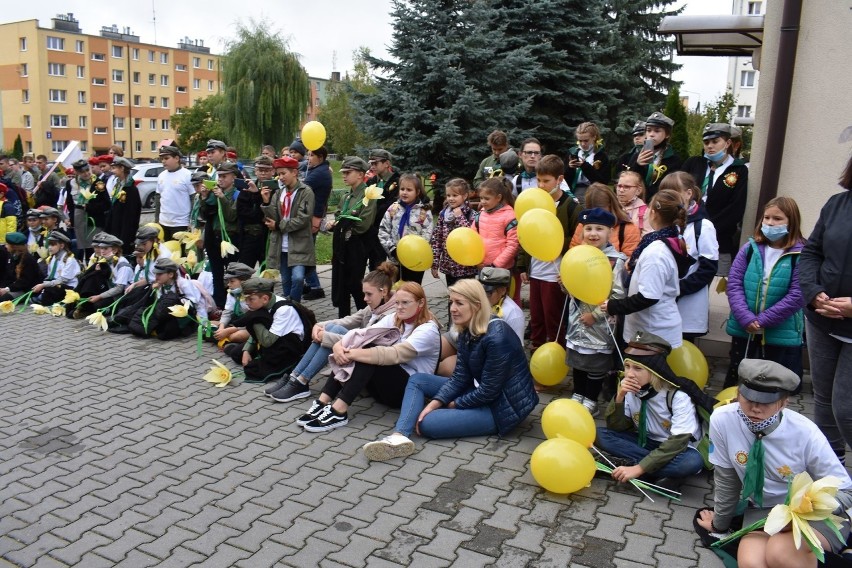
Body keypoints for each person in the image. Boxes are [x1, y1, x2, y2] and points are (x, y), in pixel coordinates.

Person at [696, 359, 852, 567]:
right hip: (764, 511)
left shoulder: (805, 432)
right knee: (751, 562)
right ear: (738, 393)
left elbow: (846, 490)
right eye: (748, 398)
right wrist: (719, 526)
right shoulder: (722, 419)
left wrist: (803, 510)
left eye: (766, 401)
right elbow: (727, 480)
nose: (755, 408)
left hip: (812, 513)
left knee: (780, 553)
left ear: (784, 401)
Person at [362, 278, 538, 461]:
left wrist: (453, 404)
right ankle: (399, 437)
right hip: (480, 390)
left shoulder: (497, 338)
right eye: (451, 302)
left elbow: (489, 392)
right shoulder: (466, 329)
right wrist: (434, 403)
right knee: (418, 380)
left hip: (500, 407)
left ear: (477, 306)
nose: (452, 308)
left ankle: (423, 418)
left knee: (426, 424)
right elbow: (460, 377)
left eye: (459, 303)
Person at [295, 282, 440, 433]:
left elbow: (394, 355)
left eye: (405, 303)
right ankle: (322, 402)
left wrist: (351, 353)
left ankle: (339, 411)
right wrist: (339, 346)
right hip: (385, 387)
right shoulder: (395, 318)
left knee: (368, 352)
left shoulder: (427, 330)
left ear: (421, 303)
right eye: (397, 302)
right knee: (363, 346)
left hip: (407, 393)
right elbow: (362, 335)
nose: (399, 307)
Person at [265, 262, 398, 403]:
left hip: (372, 367)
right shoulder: (377, 305)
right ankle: (295, 377)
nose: (365, 298)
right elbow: (348, 320)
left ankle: (301, 380)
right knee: (330, 329)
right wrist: (319, 325)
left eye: (368, 294)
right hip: (361, 353)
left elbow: (365, 343)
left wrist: (325, 336)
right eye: (364, 293)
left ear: (383, 291)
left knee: (329, 334)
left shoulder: (390, 315)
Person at [596, 331, 706, 482]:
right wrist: (619, 397)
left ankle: (634, 468)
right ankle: (659, 474)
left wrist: (638, 468)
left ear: (655, 371)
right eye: (627, 366)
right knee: (600, 434)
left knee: (692, 462)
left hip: (676, 449)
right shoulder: (630, 387)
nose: (629, 374)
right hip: (645, 442)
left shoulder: (677, 396)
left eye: (638, 368)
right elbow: (617, 428)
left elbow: (677, 443)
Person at [799, 153, 852, 464]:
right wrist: (814, 293)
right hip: (821, 319)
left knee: (845, 408)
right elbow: (811, 253)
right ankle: (831, 470)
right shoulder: (837, 204)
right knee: (822, 400)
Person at [724, 196, 806, 388]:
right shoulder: (749, 249)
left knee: (771, 383)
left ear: (791, 222)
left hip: (779, 332)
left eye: (777, 219)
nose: (770, 223)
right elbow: (734, 284)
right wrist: (746, 317)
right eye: (767, 217)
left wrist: (763, 321)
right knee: (738, 378)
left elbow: (797, 295)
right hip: (744, 328)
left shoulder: (801, 254)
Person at [602, 189, 695, 349]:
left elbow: (648, 297)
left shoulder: (656, 253)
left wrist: (613, 306)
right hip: (648, 328)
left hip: (652, 331)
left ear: (653, 213)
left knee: (644, 373)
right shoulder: (663, 241)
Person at [565, 208, 627, 415]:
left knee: (596, 364)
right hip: (577, 321)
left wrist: (596, 315)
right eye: (588, 228)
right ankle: (578, 393)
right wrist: (564, 284)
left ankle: (591, 399)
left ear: (610, 232)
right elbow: (574, 289)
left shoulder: (615, 261)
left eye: (599, 229)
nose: (593, 233)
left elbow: (617, 295)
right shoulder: (577, 256)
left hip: (600, 325)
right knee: (579, 361)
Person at [518, 155, 580, 351]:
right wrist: (522, 264)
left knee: (554, 320)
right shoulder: (533, 202)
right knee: (536, 318)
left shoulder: (571, 206)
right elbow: (524, 233)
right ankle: (536, 352)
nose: (541, 185)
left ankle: (557, 354)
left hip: (555, 274)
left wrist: (553, 243)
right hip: (535, 271)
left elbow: (577, 239)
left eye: (546, 181)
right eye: (538, 180)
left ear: (560, 180)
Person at [681, 123, 749, 277]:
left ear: (728, 143)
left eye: (715, 141)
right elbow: (677, 191)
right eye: (706, 143)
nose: (710, 146)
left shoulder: (738, 170)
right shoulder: (694, 163)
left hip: (718, 240)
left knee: (713, 289)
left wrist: (706, 229)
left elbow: (735, 209)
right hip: (686, 236)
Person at [660, 171, 719, 343]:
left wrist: (679, 288)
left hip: (688, 300)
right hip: (662, 298)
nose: (669, 198)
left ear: (688, 193)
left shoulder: (703, 226)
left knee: (682, 348)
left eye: (674, 192)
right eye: (665, 194)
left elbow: (708, 268)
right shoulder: (663, 223)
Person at [435, 267, 524, 378]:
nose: (483, 297)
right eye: (481, 291)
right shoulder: (476, 300)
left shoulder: (513, 314)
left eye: (488, 293)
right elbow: (455, 330)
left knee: (445, 367)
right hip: (462, 339)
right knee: (433, 349)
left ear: (503, 290)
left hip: (483, 354)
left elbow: (515, 350)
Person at [222, 278, 307, 383]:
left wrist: (254, 319)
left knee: (255, 370)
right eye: (246, 299)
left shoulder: (283, 310)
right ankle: (250, 353)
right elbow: (259, 332)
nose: (247, 303)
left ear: (265, 298)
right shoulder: (261, 306)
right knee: (237, 354)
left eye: (251, 299)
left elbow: (267, 341)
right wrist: (247, 350)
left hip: (287, 345)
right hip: (271, 338)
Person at [261, 156, 315, 302]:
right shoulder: (279, 193)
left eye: (284, 173)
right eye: (279, 174)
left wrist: (279, 225)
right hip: (281, 245)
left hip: (299, 244)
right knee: (285, 281)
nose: (281, 177)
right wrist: (266, 202)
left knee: (297, 278)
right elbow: (273, 217)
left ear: (294, 172)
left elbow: (303, 219)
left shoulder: (306, 192)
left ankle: (294, 306)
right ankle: (289, 308)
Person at [329, 157, 378, 318]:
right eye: (343, 172)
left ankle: (366, 317)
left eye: (348, 172)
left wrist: (343, 224)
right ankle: (343, 320)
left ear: (360, 174)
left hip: (357, 246)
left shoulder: (369, 195)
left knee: (355, 284)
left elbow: (363, 224)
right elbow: (338, 216)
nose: (344, 176)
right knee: (341, 285)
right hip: (342, 246)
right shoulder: (346, 197)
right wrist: (340, 224)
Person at [110, 257, 206, 338]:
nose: (156, 277)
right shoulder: (161, 285)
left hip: (186, 316)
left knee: (166, 331)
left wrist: (203, 324)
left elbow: (196, 304)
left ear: (171, 274)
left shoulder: (184, 284)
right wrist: (154, 291)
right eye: (155, 274)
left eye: (159, 274)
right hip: (168, 314)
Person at [198, 162, 240, 308]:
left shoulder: (237, 193)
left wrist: (222, 197)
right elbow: (205, 215)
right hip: (213, 237)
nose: (220, 180)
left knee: (231, 273)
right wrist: (204, 197)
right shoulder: (213, 193)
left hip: (229, 237)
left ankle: (233, 304)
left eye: (224, 176)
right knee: (216, 273)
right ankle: (219, 303)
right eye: (219, 176)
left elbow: (231, 216)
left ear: (233, 177)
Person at [379, 173, 434, 284]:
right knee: (395, 290)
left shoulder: (424, 212)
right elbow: (383, 231)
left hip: (415, 260)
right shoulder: (393, 209)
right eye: (402, 189)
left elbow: (427, 235)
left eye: (409, 190)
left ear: (417, 192)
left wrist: (415, 252)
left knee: (412, 289)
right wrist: (392, 249)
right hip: (395, 259)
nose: (404, 192)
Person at [66, 232, 133, 318]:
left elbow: (119, 289)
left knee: (98, 305)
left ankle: (88, 310)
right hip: (110, 291)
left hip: (120, 297)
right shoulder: (107, 261)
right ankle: (83, 307)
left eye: (105, 248)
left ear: (115, 250)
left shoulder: (122, 265)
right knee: (93, 277)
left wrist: (99, 296)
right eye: (101, 248)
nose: (102, 251)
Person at [569, 183, 641, 257]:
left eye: (601, 210)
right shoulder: (583, 225)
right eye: (592, 211)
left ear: (611, 205)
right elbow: (573, 252)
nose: (597, 215)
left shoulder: (628, 228)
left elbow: (629, 260)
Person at [430, 178, 477, 289]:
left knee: (466, 296)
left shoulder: (472, 214)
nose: (451, 199)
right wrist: (434, 264)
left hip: (466, 267)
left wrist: (460, 217)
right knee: (452, 295)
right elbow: (437, 240)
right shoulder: (443, 214)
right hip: (449, 265)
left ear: (465, 196)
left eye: (455, 195)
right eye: (448, 195)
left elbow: (472, 237)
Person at [59, 159, 109, 260]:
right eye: (82, 172)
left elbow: (106, 204)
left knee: (94, 246)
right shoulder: (71, 183)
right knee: (83, 247)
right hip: (79, 218)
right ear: (76, 172)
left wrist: (90, 207)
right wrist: (72, 219)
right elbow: (70, 203)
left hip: (94, 219)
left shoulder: (98, 183)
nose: (86, 174)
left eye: (87, 170)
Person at [627, 112, 682, 202]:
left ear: (667, 135)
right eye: (648, 130)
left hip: (659, 205)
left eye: (657, 131)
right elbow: (628, 182)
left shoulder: (674, 160)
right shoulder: (637, 156)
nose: (651, 134)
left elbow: (668, 188)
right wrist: (638, 165)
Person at [303, 146, 333, 300]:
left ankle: (315, 286)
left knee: (306, 253)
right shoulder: (321, 170)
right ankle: (310, 283)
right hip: (312, 216)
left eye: (311, 155)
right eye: (308, 155)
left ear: (320, 157)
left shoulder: (319, 173)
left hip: (312, 217)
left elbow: (300, 188)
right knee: (306, 252)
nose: (308, 158)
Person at [473, 177, 519, 276]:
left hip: (500, 269)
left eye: (487, 198)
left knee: (499, 292)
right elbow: (472, 237)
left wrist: (495, 265)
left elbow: (513, 245)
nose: (483, 201)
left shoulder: (509, 216)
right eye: (481, 198)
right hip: (482, 266)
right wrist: (476, 260)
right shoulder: (480, 214)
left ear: (498, 198)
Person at [365, 149, 401, 271]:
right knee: (374, 263)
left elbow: (390, 205)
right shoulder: (371, 181)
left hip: (388, 229)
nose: (372, 166)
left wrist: (373, 210)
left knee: (391, 264)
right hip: (372, 228)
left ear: (387, 163)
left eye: (376, 163)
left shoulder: (397, 182)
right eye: (371, 163)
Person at [235, 156, 272, 268]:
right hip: (248, 236)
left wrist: (257, 196)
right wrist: (257, 214)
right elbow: (241, 212)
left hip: (266, 237)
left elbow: (271, 213)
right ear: (255, 171)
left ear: (272, 171)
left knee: (266, 272)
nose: (263, 173)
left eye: (266, 170)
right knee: (244, 269)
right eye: (260, 170)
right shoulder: (247, 187)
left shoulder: (276, 190)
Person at [154, 145, 195, 242]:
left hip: (181, 223)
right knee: (165, 253)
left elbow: (193, 198)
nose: (163, 161)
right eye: (162, 159)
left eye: (166, 158)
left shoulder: (187, 175)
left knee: (180, 254)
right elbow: (158, 198)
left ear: (177, 158)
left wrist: (191, 221)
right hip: (163, 222)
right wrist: (157, 220)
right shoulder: (161, 176)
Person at [103, 157, 141, 256]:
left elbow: (131, 215)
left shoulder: (131, 189)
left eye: (114, 168)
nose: (112, 171)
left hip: (124, 231)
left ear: (122, 168)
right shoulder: (118, 186)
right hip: (115, 227)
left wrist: (126, 237)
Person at [566, 122, 611, 205]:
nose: (583, 144)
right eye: (580, 141)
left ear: (594, 137)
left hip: (593, 192)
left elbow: (603, 182)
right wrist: (570, 168)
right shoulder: (573, 152)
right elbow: (565, 179)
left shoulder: (601, 155)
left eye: (586, 140)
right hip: (573, 191)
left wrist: (585, 166)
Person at [30, 231, 79, 306]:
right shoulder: (53, 258)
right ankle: (42, 297)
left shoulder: (69, 259)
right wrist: (43, 283)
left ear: (62, 246)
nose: (49, 247)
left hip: (68, 286)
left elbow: (62, 280)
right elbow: (50, 277)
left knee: (51, 289)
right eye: (49, 244)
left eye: (53, 245)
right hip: (55, 283)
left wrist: (44, 285)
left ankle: (43, 298)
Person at [212, 262, 254, 346]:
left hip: (250, 326)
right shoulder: (232, 293)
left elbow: (251, 321)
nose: (228, 284)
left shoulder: (252, 296)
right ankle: (222, 337)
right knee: (207, 324)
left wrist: (228, 330)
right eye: (228, 281)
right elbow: (227, 312)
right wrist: (221, 327)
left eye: (232, 281)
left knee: (238, 336)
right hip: (236, 323)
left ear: (244, 282)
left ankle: (224, 338)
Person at [0, 232, 42, 301]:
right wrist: (3, 288)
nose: (5, 246)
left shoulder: (28, 259)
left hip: (27, 289)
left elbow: (24, 281)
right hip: (14, 287)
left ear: (14, 247)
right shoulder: (12, 256)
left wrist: (7, 289)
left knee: (3, 298)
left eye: (7, 244)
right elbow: (8, 276)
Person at [615, 170, 650, 237]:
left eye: (627, 187)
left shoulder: (645, 212)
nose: (621, 190)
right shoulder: (610, 205)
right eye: (619, 186)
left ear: (638, 190)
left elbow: (647, 238)